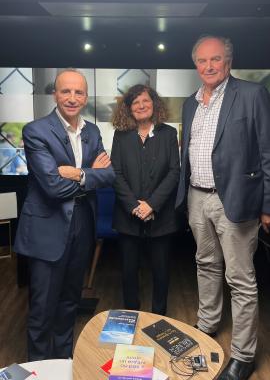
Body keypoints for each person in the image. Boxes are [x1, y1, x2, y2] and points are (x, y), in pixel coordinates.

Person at [176, 35, 270, 380]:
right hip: (197, 197)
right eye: (202, 60)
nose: (209, 66)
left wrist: (268, 205)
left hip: (236, 200)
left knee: (241, 279)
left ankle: (243, 356)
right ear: (196, 64)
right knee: (205, 265)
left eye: (216, 59)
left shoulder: (251, 94)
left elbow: (267, 153)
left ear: (228, 61)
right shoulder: (190, 103)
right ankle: (207, 324)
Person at [14, 69, 115, 360]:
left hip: (83, 227)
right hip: (48, 231)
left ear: (85, 97)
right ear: (55, 94)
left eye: (78, 92)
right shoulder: (36, 130)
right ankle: (39, 369)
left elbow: (109, 176)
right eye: (65, 91)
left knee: (70, 302)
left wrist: (78, 174)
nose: (72, 98)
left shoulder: (92, 131)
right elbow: (53, 188)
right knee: (43, 308)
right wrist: (91, 175)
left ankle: (62, 362)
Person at [111, 84, 180, 315]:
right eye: (135, 102)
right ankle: (132, 313)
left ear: (154, 104)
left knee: (161, 271)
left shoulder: (169, 134)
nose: (141, 106)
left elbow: (174, 172)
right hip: (127, 215)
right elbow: (116, 173)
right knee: (129, 270)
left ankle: (159, 315)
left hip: (160, 215)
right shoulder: (121, 136)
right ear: (129, 109)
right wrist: (134, 206)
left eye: (145, 101)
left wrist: (151, 205)